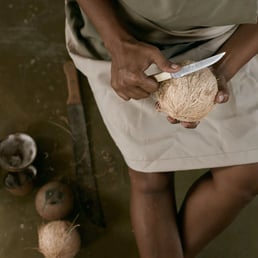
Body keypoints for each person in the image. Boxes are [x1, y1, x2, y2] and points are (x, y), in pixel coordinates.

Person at [65, 1, 258, 257]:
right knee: (151, 178)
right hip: (127, 38)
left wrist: (221, 71)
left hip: (232, 40)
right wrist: (119, 43)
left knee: (246, 174)